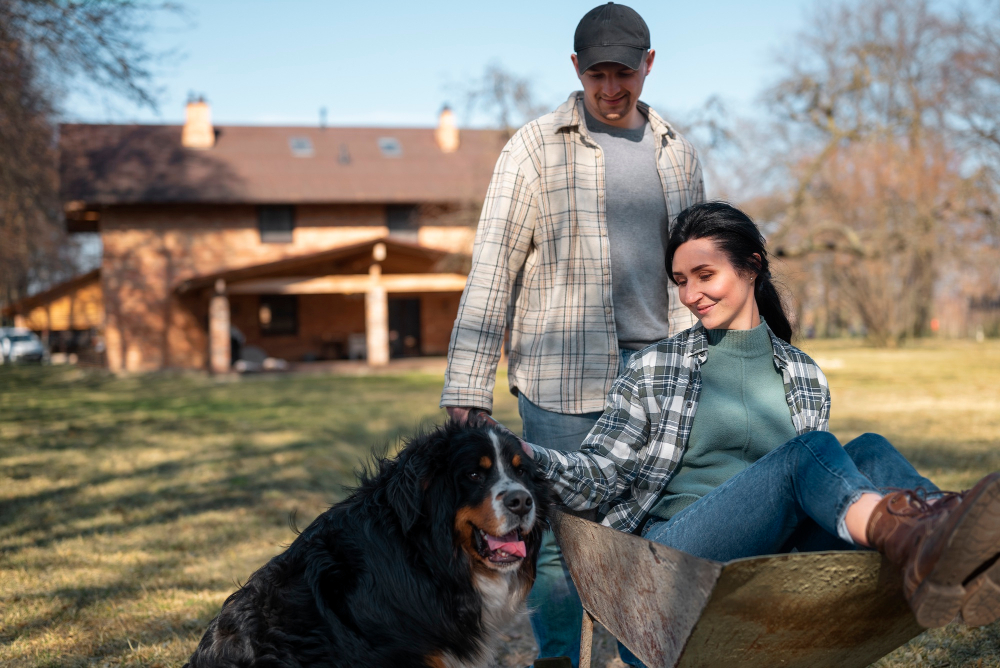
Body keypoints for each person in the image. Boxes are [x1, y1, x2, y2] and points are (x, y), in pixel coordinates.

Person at [521, 201, 1000, 666]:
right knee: (806, 454)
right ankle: (929, 542)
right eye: (681, 281)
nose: (690, 296)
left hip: (773, 569)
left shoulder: (803, 375)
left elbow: (823, 492)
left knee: (871, 450)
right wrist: (523, 456)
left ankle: (957, 547)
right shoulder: (656, 366)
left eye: (704, 276)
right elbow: (599, 474)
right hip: (672, 569)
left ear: (752, 266)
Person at [440, 3, 704, 664]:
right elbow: (493, 264)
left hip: (658, 374)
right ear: (575, 69)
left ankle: (641, 655)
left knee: (653, 530)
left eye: (624, 74)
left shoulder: (676, 152)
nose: (611, 89)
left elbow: (700, 265)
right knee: (563, 538)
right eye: (597, 76)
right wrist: (468, 383)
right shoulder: (533, 148)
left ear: (649, 66)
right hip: (562, 379)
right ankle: (563, 658)